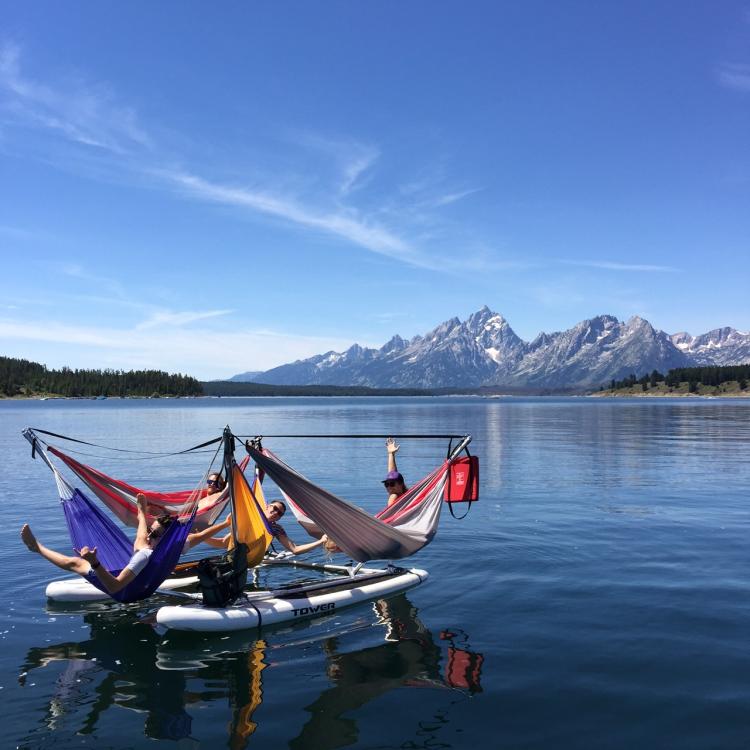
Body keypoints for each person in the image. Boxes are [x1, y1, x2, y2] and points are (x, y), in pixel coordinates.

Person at [21, 493, 232, 595]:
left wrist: (95, 563)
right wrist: (223, 523)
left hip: (126, 592)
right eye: (152, 530)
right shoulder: (176, 545)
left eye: (156, 534)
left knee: (75, 563)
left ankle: (36, 547)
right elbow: (202, 535)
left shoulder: (145, 554)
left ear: (167, 539)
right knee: (142, 543)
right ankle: (142, 512)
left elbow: (114, 587)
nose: (150, 536)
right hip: (143, 583)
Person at [202, 500, 328, 556]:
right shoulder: (248, 519)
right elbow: (223, 543)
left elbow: (294, 549)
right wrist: (200, 537)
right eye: (274, 508)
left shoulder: (276, 529)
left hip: (253, 558)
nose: (276, 512)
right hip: (236, 556)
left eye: (280, 513)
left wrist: (320, 541)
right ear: (267, 506)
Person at [383, 437, 408, 507]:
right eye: (386, 484)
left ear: (401, 484)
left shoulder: (394, 496)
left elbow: (389, 513)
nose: (389, 487)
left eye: (392, 484)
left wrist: (391, 454)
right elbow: (393, 473)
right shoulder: (407, 494)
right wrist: (391, 454)